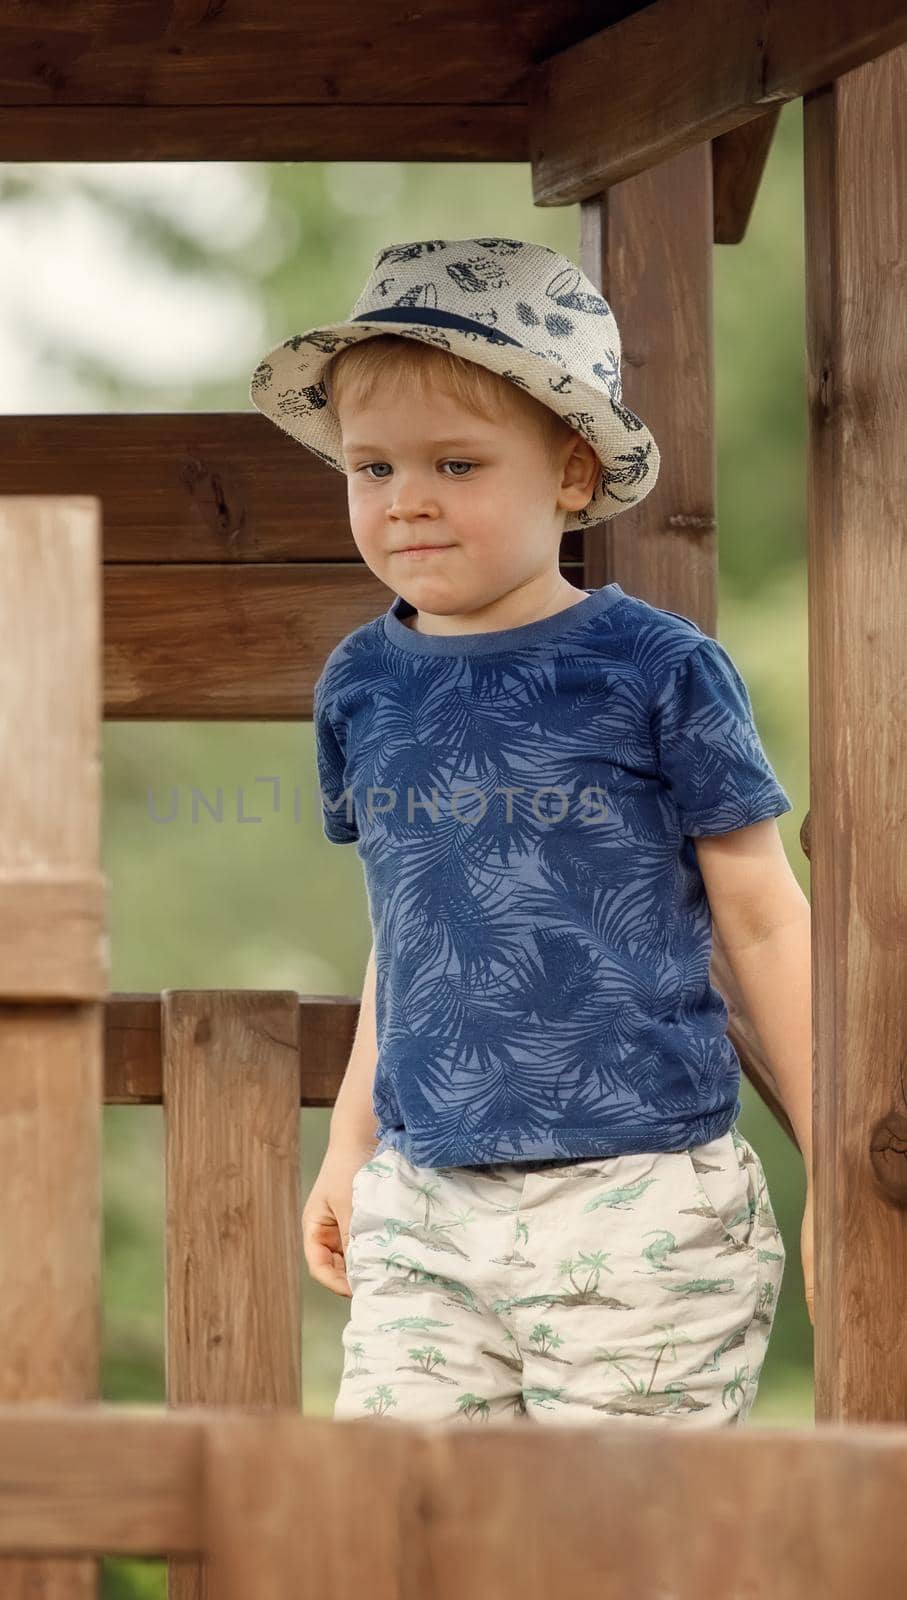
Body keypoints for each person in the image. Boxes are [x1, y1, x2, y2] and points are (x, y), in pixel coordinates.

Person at [249, 236, 812, 1426]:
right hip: (425, 1202)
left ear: (568, 472)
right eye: (371, 466)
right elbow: (403, 929)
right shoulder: (362, 681)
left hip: (638, 1192)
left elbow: (759, 916)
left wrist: (841, 1158)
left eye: (454, 462)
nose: (404, 498)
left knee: (612, 1543)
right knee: (401, 1526)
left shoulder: (655, 668)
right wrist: (350, 1144)